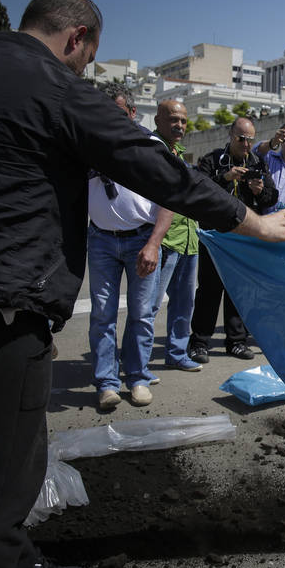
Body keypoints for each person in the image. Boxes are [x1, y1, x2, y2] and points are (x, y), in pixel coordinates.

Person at [0, 0, 285, 568]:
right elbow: (156, 169)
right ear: (77, 38)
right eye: (85, 58)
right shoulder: (53, 84)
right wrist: (252, 223)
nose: (82, 69)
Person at [86, 89, 175, 411]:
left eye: (117, 112)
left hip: (142, 240)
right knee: (102, 315)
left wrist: (153, 244)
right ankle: (107, 383)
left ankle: (137, 377)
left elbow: (170, 198)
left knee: (141, 315)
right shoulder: (88, 145)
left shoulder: (150, 146)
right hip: (100, 240)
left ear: (132, 113)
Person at [188, 117, 277, 363]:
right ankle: (199, 341)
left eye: (250, 139)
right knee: (208, 289)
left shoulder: (257, 163)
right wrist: (226, 178)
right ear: (231, 134)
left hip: (244, 237)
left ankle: (236, 341)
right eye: (241, 139)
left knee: (240, 291)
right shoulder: (213, 160)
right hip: (215, 235)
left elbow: (271, 198)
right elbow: (198, 189)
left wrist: (261, 191)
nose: (246, 144)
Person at [150, 102, 202, 375]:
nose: (179, 125)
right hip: (165, 241)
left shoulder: (179, 154)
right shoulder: (151, 150)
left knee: (184, 303)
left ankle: (177, 353)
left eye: (183, 120)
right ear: (157, 120)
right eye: (173, 120)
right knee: (150, 305)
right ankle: (139, 361)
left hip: (188, 240)